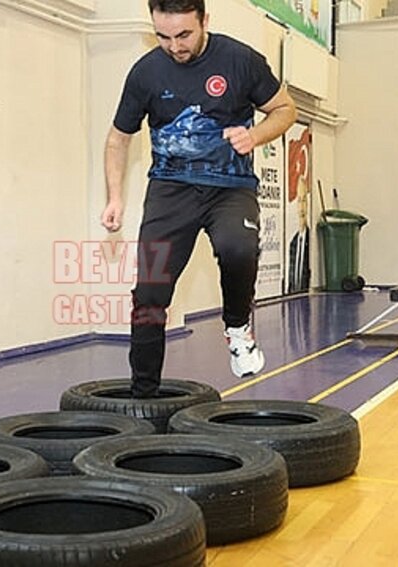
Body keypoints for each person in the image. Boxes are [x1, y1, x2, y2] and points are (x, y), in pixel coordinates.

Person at [101, 0, 297, 398]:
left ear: (205, 20)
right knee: (150, 293)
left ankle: (238, 328)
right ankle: (142, 398)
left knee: (237, 247)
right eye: (163, 36)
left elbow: (285, 109)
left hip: (231, 186)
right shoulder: (146, 73)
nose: (174, 45)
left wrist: (254, 136)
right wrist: (115, 198)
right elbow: (118, 138)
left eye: (184, 34)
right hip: (170, 190)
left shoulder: (241, 60)